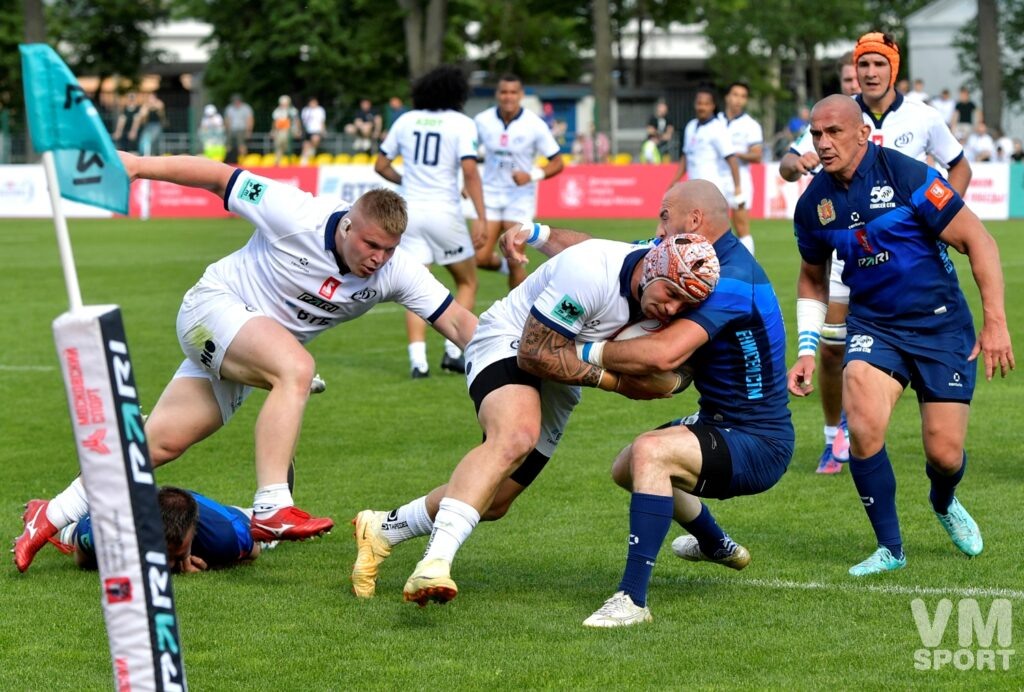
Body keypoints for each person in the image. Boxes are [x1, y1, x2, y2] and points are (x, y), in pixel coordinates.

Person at [12, 153, 478, 573]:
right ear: (349, 226)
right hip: (212, 309)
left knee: (157, 447)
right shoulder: (294, 212)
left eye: (389, 250)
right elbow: (218, 176)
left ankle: (51, 515)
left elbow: (457, 322)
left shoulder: (396, 270)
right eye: (371, 245)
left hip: (247, 348)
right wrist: (135, 165)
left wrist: (509, 361)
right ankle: (273, 502)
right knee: (295, 369)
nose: (378, 259)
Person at [350, 204, 722, 606]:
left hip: (564, 365)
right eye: (670, 294)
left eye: (684, 305)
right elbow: (535, 354)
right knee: (515, 435)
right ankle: (434, 563)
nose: (671, 310)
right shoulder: (590, 271)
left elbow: (677, 372)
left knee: (494, 502)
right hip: (512, 339)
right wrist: (616, 382)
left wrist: (538, 232)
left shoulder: (658, 270)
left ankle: (385, 529)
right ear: (651, 270)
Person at [789, 94, 1013, 577]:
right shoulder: (814, 205)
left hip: (940, 326)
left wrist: (995, 321)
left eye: (834, 133)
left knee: (944, 454)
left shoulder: (908, 176)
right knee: (865, 425)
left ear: (862, 133)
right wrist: (808, 346)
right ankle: (890, 547)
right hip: (873, 326)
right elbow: (812, 275)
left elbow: (979, 241)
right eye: (816, 135)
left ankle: (944, 498)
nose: (823, 144)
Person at [579, 179, 792, 627]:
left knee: (650, 454)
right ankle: (716, 544)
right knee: (627, 468)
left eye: (664, 215)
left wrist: (583, 355)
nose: (658, 229)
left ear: (694, 220)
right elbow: (603, 252)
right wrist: (536, 234)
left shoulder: (733, 278)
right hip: (720, 419)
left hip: (758, 438)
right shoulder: (687, 258)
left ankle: (632, 600)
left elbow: (663, 355)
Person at [782, 33, 973, 475]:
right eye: (862, 65)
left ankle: (880, 422)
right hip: (850, 246)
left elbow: (958, 164)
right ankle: (836, 437)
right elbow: (788, 164)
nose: (869, 73)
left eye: (878, 65)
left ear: (893, 70)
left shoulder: (924, 117)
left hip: (906, 249)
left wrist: (944, 218)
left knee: (873, 349)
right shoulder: (836, 115)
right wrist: (799, 164)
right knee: (830, 348)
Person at [375, 65, 487, 378]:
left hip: (409, 212)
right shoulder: (462, 123)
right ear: (457, 93)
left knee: (415, 286)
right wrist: (481, 215)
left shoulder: (406, 120)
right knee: (467, 281)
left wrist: (406, 182)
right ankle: (453, 351)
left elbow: (381, 164)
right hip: (444, 212)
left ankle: (418, 362)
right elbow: (469, 171)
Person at [473, 74, 565, 290]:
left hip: (519, 199)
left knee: (514, 257)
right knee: (479, 257)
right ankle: (508, 269)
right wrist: (466, 184)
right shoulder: (482, 121)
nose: (508, 97)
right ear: (497, 94)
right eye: (504, 92)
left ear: (521, 95)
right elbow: (466, 154)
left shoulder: (534, 124)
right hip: (490, 195)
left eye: (513, 92)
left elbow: (558, 162)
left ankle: (517, 315)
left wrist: (531, 175)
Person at [47, 486, 260, 573]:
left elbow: (254, 551)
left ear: (192, 533)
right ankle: (43, 508)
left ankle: (271, 501)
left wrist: (213, 562)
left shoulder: (225, 533)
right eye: (160, 554)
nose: (167, 565)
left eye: (175, 556)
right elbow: (83, 560)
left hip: (202, 509)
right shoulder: (107, 528)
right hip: (127, 502)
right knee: (69, 533)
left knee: (260, 526)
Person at [669, 86, 742, 217]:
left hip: (712, 189)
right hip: (693, 187)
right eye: (699, 103)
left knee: (709, 229)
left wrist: (737, 188)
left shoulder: (717, 128)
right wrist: (674, 180)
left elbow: (731, 159)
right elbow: (686, 156)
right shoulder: (691, 126)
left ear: (713, 106)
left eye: (706, 104)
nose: (702, 107)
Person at [719, 82, 763, 255]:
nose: (738, 100)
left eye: (743, 96)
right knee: (713, 227)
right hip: (715, 178)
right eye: (735, 94)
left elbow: (757, 155)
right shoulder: (716, 122)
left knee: (741, 226)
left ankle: (749, 268)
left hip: (740, 181)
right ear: (727, 97)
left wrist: (733, 154)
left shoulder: (751, 125)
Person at [270, 95, 300, 166]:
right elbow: (275, 123)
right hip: (280, 131)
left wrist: (298, 130)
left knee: (284, 143)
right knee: (278, 145)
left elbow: (296, 121)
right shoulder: (277, 111)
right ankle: (278, 161)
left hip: (289, 131)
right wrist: (273, 131)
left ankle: (286, 160)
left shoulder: (293, 111)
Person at [224, 94, 255, 162]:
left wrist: (249, 131)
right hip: (231, 129)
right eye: (234, 101)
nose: (236, 102)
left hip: (242, 129)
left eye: (237, 100)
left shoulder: (246, 108)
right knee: (228, 145)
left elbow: (250, 120)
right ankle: (228, 159)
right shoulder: (230, 108)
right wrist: (227, 130)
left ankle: (242, 160)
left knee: (241, 145)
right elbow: (227, 120)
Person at [300, 97, 327, 165]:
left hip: (316, 129)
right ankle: (304, 161)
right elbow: (304, 121)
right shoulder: (306, 110)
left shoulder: (320, 110)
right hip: (307, 130)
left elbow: (322, 121)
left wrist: (323, 130)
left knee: (315, 139)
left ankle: (313, 149)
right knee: (305, 145)